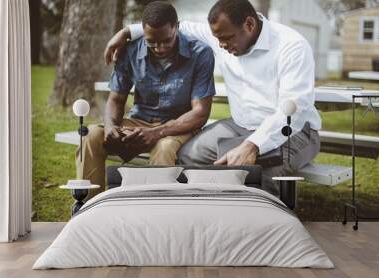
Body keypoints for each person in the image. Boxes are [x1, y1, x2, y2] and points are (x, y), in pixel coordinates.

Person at [104, 0, 321, 196]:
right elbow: (179, 27)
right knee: (188, 154)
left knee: (262, 168)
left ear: (249, 24)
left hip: (295, 130)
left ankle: (264, 226)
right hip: (240, 125)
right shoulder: (222, 33)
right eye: (217, 39)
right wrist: (126, 32)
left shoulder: (291, 46)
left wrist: (252, 145)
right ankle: (200, 213)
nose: (221, 46)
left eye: (226, 39)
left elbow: (295, 110)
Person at [77, 1, 215, 198]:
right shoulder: (130, 50)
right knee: (90, 137)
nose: (159, 48)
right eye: (151, 42)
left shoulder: (201, 53)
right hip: (139, 120)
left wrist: (155, 132)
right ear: (143, 31)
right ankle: (88, 206)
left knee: (164, 148)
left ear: (177, 26)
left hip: (177, 126)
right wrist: (110, 127)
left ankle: (154, 211)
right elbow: (116, 99)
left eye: (166, 41)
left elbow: (200, 113)